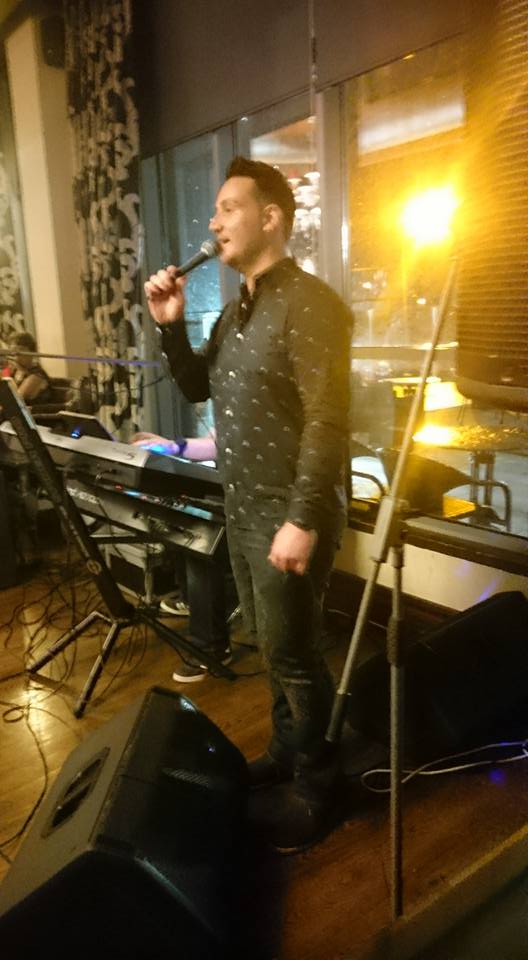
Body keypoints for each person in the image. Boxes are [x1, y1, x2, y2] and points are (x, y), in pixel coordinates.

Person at [144, 156, 352, 852]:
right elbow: (197, 387)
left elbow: (327, 420)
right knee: (269, 643)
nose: (213, 222)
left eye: (228, 208)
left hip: (291, 511)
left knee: (295, 652)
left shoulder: (311, 304)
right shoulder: (236, 311)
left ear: (271, 218)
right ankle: (288, 752)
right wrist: (170, 325)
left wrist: (302, 519)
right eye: (214, 211)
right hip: (246, 505)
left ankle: (320, 786)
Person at [2, 331, 53, 406]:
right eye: (14, 352)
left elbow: (14, 401)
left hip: (37, 413)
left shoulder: (37, 376)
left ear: (32, 352)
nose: (17, 357)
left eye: (21, 351)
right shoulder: (16, 371)